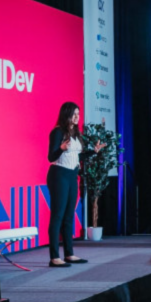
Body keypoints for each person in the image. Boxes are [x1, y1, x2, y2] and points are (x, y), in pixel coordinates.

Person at [46, 102, 102, 268]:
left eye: (78, 113)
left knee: (69, 215)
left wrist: (93, 151)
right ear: (66, 114)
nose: (77, 117)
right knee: (58, 216)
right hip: (59, 175)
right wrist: (62, 148)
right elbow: (51, 157)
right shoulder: (57, 132)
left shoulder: (77, 134)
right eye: (74, 114)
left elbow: (77, 157)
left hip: (72, 175)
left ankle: (69, 254)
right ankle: (54, 257)